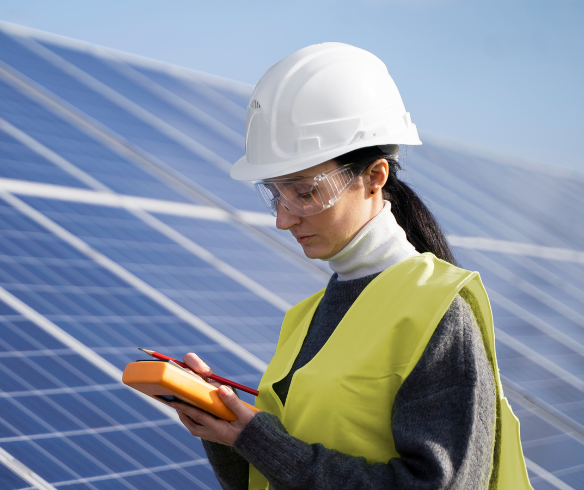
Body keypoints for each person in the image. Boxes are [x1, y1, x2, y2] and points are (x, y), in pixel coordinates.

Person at [172, 43, 533, 490]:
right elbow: (278, 476)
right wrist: (229, 433)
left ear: (374, 176)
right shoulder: (303, 319)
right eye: (276, 195)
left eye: (305, 193)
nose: (284, 219)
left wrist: (259, 440)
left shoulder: (436, 312)